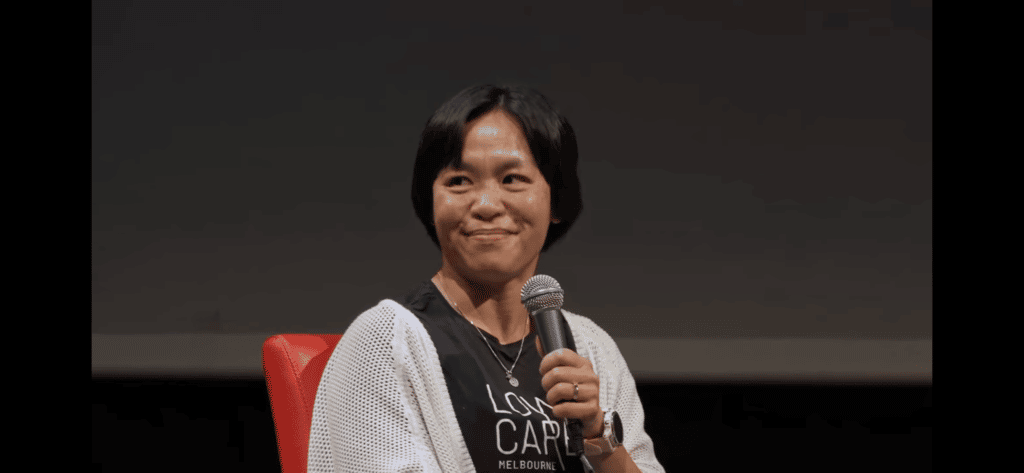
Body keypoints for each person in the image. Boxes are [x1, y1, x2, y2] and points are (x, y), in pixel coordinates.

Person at [307, 84, 665, 472]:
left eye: (512, 179)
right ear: (430, 203)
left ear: (556, 200)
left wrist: (599, 437)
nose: (487, 205)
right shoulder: (386, 340)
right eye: (459, 181)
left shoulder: (591, 349)